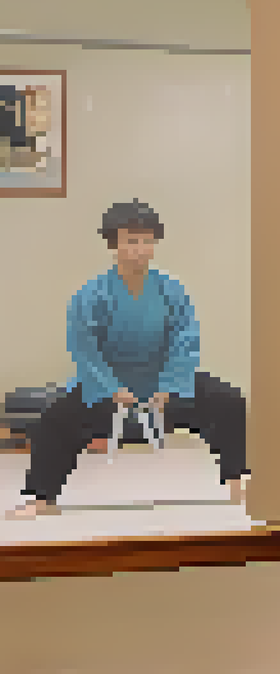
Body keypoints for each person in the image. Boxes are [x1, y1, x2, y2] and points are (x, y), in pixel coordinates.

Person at [5, 200, 252, 520]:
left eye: (147, 240)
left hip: (163, 383)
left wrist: (170, 385)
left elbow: (185, 339)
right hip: (108, 384)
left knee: (230, 402)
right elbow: (84, 349)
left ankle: (237, 479)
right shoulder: (91, 293)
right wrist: (110, 388)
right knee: (55, 419)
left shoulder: (172, 290)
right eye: (132, 241)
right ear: (114, 244)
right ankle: (39, 497)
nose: (141, 249)